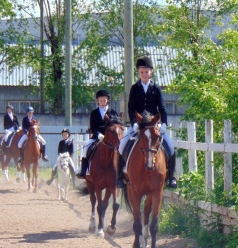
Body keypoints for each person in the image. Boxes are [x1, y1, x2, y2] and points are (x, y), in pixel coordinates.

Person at [118, 56, 177, 189]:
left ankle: (171, 176)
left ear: (151, 72)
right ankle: (120, 176)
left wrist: (164, 124)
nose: (144, 74)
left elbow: (162, 107)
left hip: (153, 124)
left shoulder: (156, 88)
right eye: (142, 72)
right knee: (122, 146)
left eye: (146, 72)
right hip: (138, 125)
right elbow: (131, 108)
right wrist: (133, 122)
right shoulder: (135, 88)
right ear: (139, 73)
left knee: (171, 147)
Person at [76, 89, 119, 179]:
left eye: (104, 100)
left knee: (120, 147)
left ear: (107, 100)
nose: (102, 102)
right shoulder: (94, 113)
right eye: (100, 101)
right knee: (86, 147)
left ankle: (121, 170)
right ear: (98, 101)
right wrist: (98, 134)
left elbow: (117, 125)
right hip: (97, 137)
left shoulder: (113, 112)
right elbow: (93, 127)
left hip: (111, 137)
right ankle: (83, 170)